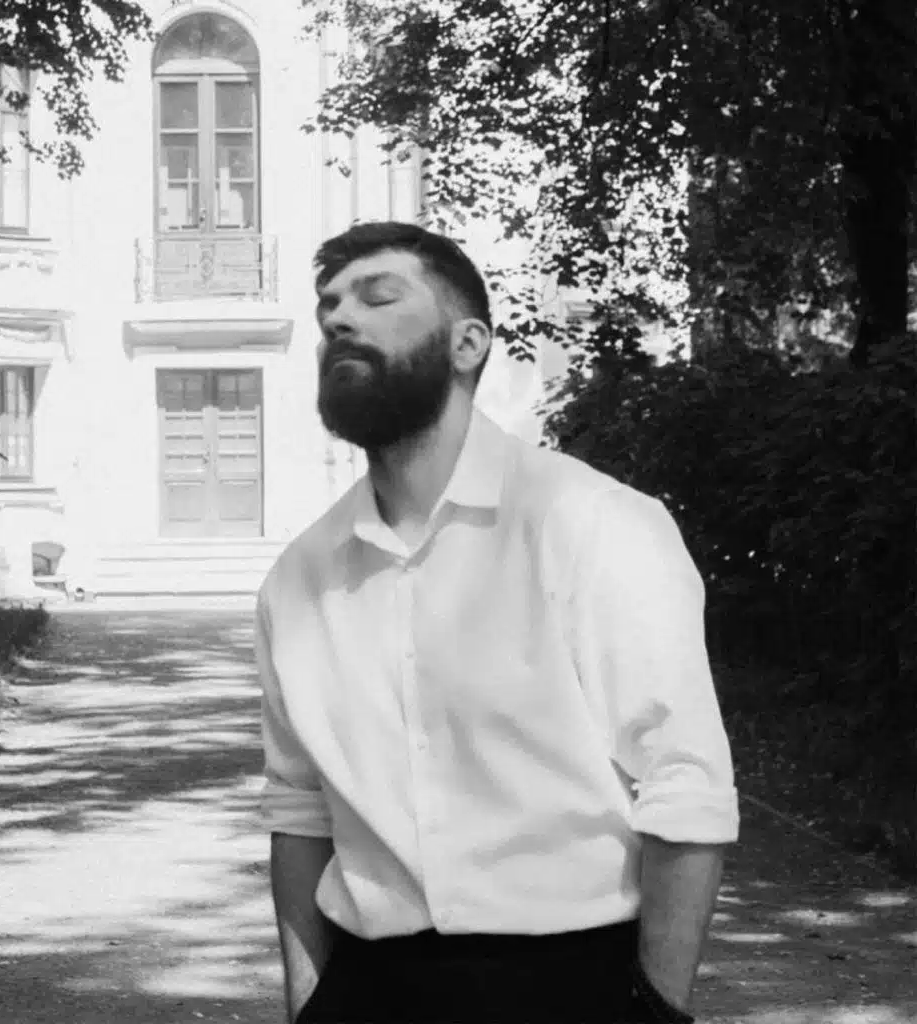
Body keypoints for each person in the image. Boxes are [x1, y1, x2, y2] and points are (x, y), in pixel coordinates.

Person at [256, 221, 739, 1024]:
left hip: (572, 987)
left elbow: (684, 784)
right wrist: (307, 1006)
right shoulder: (299, 579)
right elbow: (298, 810)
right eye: (328, 307)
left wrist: (657, 1013)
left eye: (378, 297)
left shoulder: (594, 524)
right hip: (367, 988)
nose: (339, 318)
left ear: (468, 343)